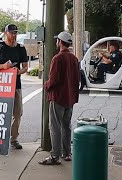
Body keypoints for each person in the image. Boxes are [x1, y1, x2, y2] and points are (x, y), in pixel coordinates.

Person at [38, 31, 80, 165]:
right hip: (70, 98)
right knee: (66, 125)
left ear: (60, 42)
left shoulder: (57, 58)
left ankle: (55, 156)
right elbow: (77, 79)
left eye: (57, 41)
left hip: (58, 97)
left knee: (55, 126)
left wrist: (46, 85)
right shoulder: (74, 58)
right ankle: (67, 153)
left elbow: (54, 80)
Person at [0, 24, 28, 149]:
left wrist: (17, 72)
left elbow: (25, 67)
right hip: (0, 85)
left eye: (15, 32)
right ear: (6, 33)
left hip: (16, 85)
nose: (14, 35)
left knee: (17, 112)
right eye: (11, 33)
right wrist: (2, 67)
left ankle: (13, 139)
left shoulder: (21, 48)